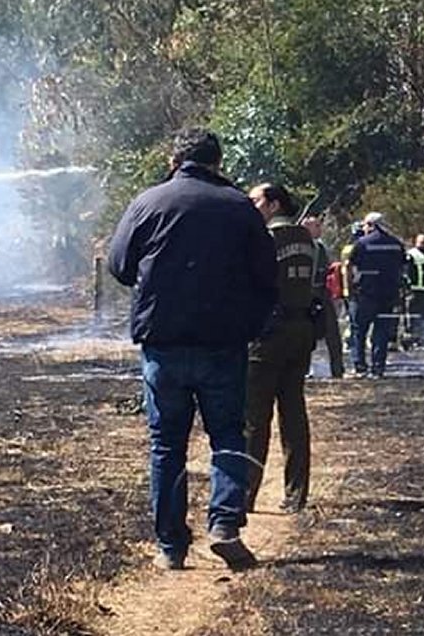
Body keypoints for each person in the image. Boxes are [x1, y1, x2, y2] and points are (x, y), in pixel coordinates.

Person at [107, 128, 275, 572]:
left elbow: (119, 265)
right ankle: (224, 525)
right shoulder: (240, 207)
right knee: (227, 435)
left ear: (173, 159)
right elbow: (266, 279)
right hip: (224, 344)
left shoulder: (148, 202)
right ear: (219, 162)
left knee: (166, 445)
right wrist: (251, 325)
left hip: (163, 344)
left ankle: (171, 548)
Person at [244, 183, 317, 516]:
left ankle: (245, 496)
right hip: (301, 331)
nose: (251, 206)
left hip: (267, 335)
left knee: (255, 419)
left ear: (273, 205)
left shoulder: (264, 239)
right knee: (294, 414)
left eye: (256, 200)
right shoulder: (307, 240)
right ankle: (296, 494)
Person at [348, 212, 406, 377]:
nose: (364, 228)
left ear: (372, 225)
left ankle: (360, 367)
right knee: (381, 332)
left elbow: (350, 266)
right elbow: (402, 267)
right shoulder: (396, 244)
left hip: (365, 295)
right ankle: (378, 367)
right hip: (388, 295)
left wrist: (350, 289)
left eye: (365, 224)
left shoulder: (362, 243)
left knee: (358, 331)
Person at [301, 215, 345, 378]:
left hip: (321, 293)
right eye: (316, 226)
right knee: (304, 334)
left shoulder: (321, 247)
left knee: (332, 332)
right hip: (304, 294)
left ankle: (337, 369)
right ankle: (303, 370)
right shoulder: (300, 247)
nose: (320, 229)